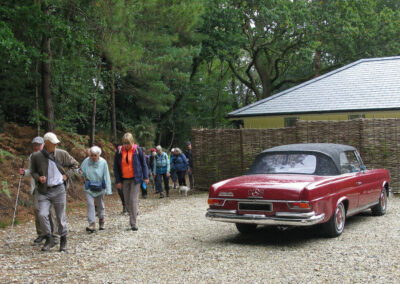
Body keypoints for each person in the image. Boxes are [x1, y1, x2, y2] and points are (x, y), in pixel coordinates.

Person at [30, 132, 79, 252]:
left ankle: (63, 240)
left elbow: (75, 165)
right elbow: (33, 171)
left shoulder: (62, 154)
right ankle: (49, 237)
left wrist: (67, 175)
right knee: (42, 214)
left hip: (59, 190)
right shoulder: (36, 156)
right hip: (44, 191)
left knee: (60, 216)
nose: (55, 145)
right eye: (53, 144)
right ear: (46, 144)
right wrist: (38, 178)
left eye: (56, 143)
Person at [19, 136, 58, 244]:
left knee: (50, 211)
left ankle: (54, 235)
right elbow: (31, 171)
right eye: (35, 145)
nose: (36, 147)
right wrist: (24, 172)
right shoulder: (32, 156)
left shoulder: (51, 154)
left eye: (38, 145)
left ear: (43, 145)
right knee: (37, 211)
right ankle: (42, 234)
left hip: (50, 187)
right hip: (36, 188)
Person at [113, 133, 149, 231]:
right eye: (124, 143)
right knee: (127, 201)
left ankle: (133, 223)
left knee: (133, 200)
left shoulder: (138, 150)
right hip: (124, 179)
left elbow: (144, 164)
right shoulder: (119, 151)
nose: (126, 145)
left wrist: (146, 176)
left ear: (132, 142)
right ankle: (133, 211)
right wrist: (118, 180)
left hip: (135, 179)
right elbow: (115, 167)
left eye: (128, 143)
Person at [80, 146, 112, 232]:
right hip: (89, 186)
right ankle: (92, 223)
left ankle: (101, 220)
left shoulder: (103, 162)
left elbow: (106, 176)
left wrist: (108, 189)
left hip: (100, 186)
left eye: (95, 155)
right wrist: (81, 174)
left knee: (100, 204)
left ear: (98, 155)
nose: (93, 157)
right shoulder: (86, 161)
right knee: (90, 204)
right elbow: (81, 171)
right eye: (92, 155)